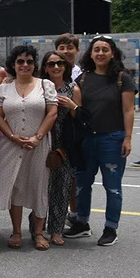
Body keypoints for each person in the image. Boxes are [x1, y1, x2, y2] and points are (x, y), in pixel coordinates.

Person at [65, 35, 136, 246]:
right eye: (96, 49)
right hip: (87, 140)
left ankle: (110, 228)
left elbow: (128, 110)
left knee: (112, 187)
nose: (100, 53)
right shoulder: (83, 79)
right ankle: (82, 223)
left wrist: (128, 138)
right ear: (91, 53)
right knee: (82, 184)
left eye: (105, 49)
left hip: (112, 139)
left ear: (112, 53)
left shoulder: (123, 78)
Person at [0, 45, 57, 251]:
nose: (25, 65)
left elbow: (52, 113)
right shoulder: (5, 88)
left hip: (39, 145)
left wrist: (38, 137)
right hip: (11, 144)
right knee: (16, 187)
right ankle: (16, 231)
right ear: (13, 64)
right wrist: (12, 136)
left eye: (29, 61)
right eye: (20, 61)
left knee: (39, 185)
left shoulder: (45, 85)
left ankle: (39, 233)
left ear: (35, 65)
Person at [42, 50, 79, 247]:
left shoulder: (73, 88)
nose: (56, 67)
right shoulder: (39, 87)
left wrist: (73, 107)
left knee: (61, 189)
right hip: (41, 142)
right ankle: (37, 229)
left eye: (60, 63)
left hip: (63, 145)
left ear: (65, 66)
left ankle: (56, 230)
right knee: (40, 188)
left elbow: (81, 120)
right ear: (45, 68)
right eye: (51, 64)